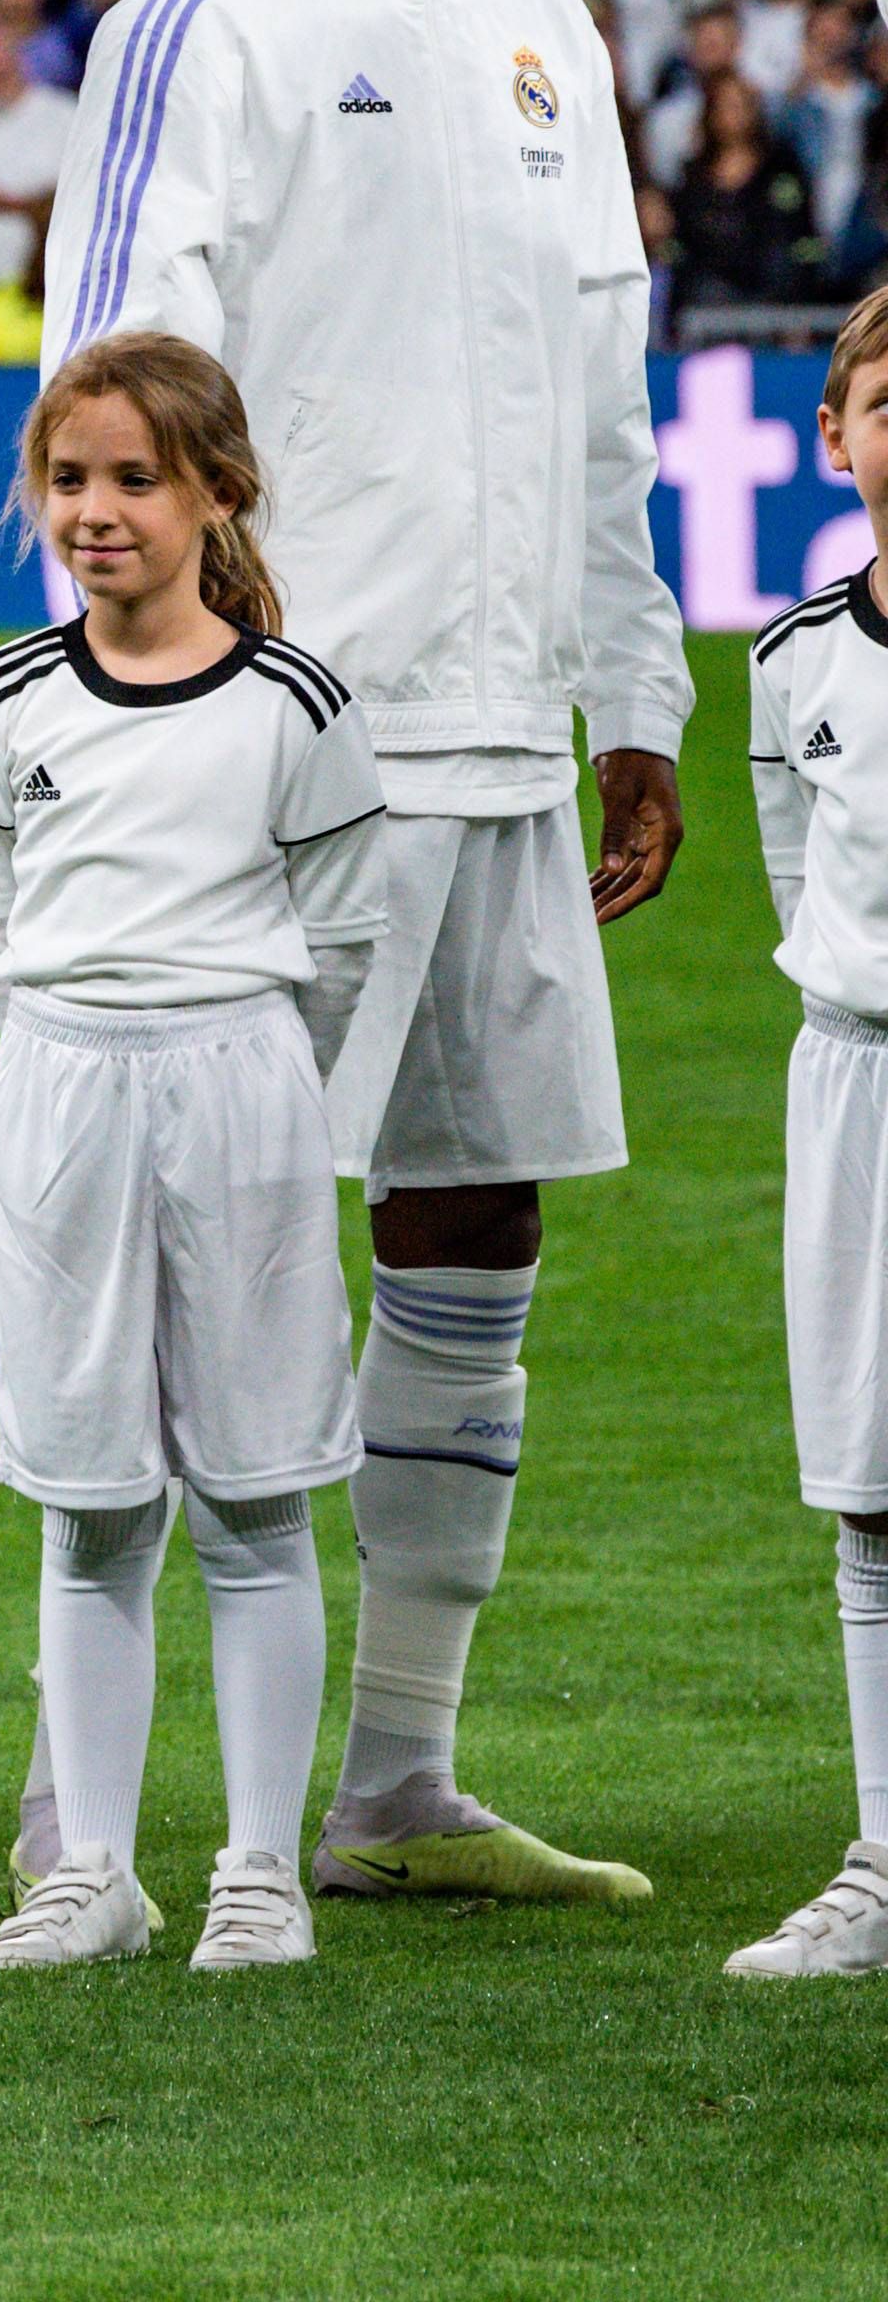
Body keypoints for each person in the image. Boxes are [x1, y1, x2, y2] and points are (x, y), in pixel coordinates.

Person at [41, 0, 687, 1907]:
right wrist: (146, 707)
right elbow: (114, 378)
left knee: (476, 1225)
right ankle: (80, 1794)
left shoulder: (544, 24)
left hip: (511, 735)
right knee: (209, 1239)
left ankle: (396, 1771)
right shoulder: (200, 22)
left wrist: (633, 692)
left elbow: (608, 395)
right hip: (292, 745)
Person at [0, 335, 383, 1977]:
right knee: (89, 1501)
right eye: (69, 480)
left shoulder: (292, 704)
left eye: (134, 479)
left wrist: (236, 1066)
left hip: (245, 1091)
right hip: (61, 1092)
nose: (97, 511)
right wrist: (82, 1049)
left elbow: (337, 943)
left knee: (258, 1492)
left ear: (216, 494)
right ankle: (97, 1870)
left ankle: (259, 1870)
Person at [733, 289, 888, 1978]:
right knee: (871, 1487)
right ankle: (882, 1851)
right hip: (855, 1083)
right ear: (834, 435)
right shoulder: (795, 663)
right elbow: (802, 888)